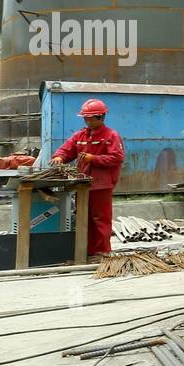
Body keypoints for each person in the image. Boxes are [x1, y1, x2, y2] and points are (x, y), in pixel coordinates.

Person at [50, 99, 125, 258]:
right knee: (84, 217)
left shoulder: (111, 135)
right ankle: (87, 251)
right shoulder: (80, 135)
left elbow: (117, 158)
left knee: (100, 219)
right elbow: (66, 149)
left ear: (101, 117)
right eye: (86, 118)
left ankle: (102, 252)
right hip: (82, 185)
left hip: (101, 185)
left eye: (91, 118)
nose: (88, 121)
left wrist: (94, 158)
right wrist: (59, 157)